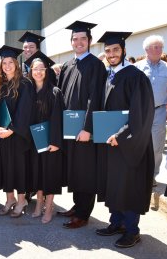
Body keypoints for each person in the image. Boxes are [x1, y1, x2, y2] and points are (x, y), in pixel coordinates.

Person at [95, 31, 155, 248]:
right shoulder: (109, 76)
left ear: (123, 51)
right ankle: (116, 222)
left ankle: (132, 230)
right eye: (108, 50)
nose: (111, 54)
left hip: (131, 142)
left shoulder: (135, 76)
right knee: (115, 184)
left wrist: (120, 136)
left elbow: (141, 114)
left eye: (115, 50)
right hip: (111, 143)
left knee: (129, 185)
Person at [57, 21, 106, 229]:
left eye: (83, 39)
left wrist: (88, 128)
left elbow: (95, 98)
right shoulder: (69, 65)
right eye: (75, 39)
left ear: (90, 41)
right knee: (74, 168)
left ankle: (84, 213)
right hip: (69, 129)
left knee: (86, 170)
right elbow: (59, 97)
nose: (79, 42)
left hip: (84, 131)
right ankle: (77, 206)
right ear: (71, 42)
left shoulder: (96, 65)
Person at [24, 51, 64, 224]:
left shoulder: (55, 92)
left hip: (49, 141)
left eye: (41, 69)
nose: (38, 72)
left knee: (50, 174)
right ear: (31, 71)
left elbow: (58, 118)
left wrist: (55, 142)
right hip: (34, 140)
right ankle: (38, 203)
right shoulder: (28, 91)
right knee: (37, 172)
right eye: (35, 69)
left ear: (46, 71)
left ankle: (48, 207)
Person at [0, 45, 34, 218]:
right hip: (2, 134)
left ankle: (21, 200)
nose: (8, 66)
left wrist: (11, 130)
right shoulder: (0, 85)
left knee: (19, 168)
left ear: (16, 64)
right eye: (4, 63)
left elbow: (24, 111)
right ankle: (9, 199)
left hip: (18, 135)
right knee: (6, 168)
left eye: (11, 62)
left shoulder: (25, 84)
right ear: (1, 65)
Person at [134, 35, 167, 186]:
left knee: (157, 146)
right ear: (146, 50)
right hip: (140, 111)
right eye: (156, 47)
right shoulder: (137, 67)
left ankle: (152, 175)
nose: (159, 50)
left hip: (159, 112)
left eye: (161, 47)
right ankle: (137, 173)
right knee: (138, 143)